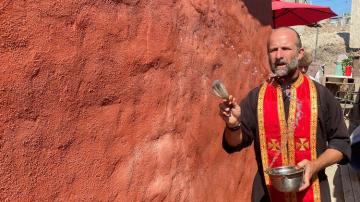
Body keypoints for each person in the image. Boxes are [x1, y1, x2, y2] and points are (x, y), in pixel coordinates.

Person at [219, 27, 350, 202]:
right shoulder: (256, 98)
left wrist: (315, 165)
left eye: (285, 48)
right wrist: (233, 125)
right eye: (273, 50)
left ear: (300, 53)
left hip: (314, 192)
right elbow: (234, 143)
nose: (279, 55)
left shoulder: (321, 95)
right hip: (267, 194)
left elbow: (341, 144)